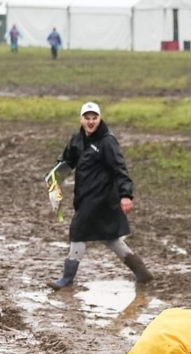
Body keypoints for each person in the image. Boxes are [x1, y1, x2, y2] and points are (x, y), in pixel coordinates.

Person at [47, 102, 152, 290]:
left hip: (102, 198)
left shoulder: (107, 141)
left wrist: (126, 195)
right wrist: (54, 178)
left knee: (77, 231)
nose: (90, 122)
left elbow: (120, 168)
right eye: (87, 118)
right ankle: (142, 272)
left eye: (94, 118)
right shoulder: (77, 139)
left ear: (99, 118)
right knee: (110, 238)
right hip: (85, 196)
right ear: (81, 119)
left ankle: (66, 279)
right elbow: (66, 161)